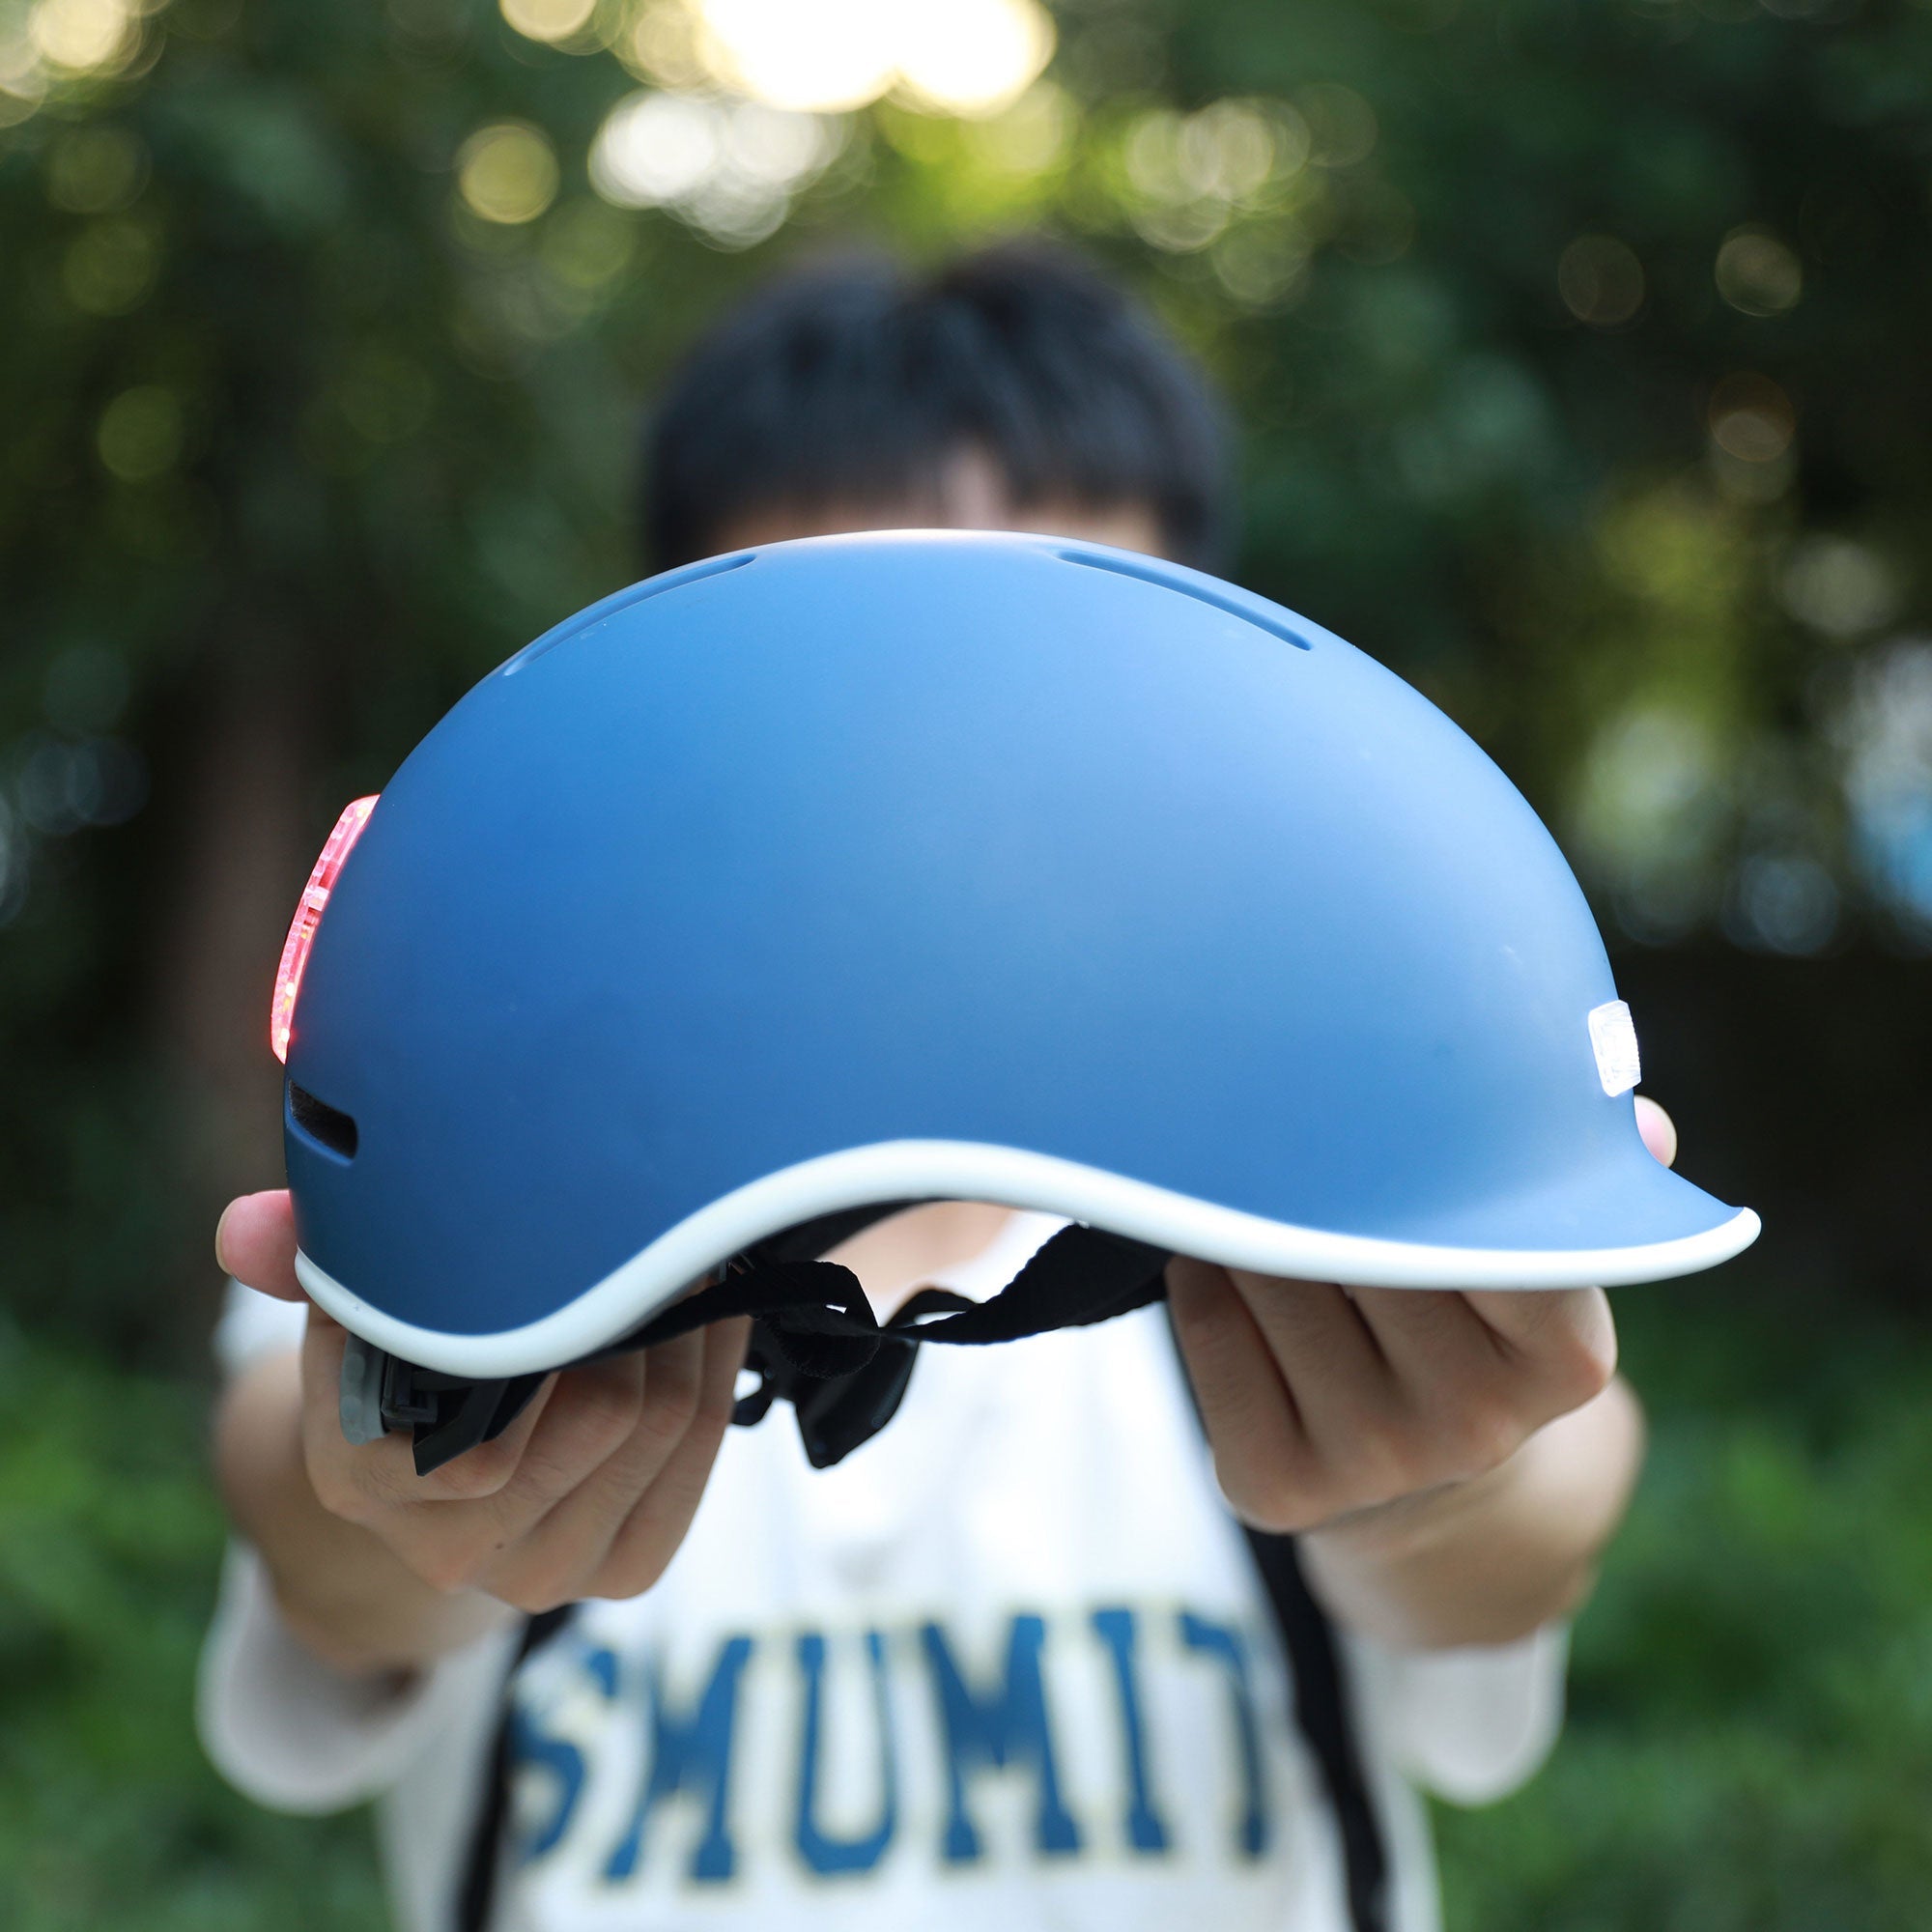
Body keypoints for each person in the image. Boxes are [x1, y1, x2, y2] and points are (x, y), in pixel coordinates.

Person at [200, 243, 1660, 1932]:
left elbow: (1534, 1508)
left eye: (1044, 685)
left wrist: (1452, 1468)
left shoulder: (1289, 1186)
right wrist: (415, 1472)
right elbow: (315, 1517)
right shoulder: (501, 1179)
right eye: (850, 693)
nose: (946, 795)